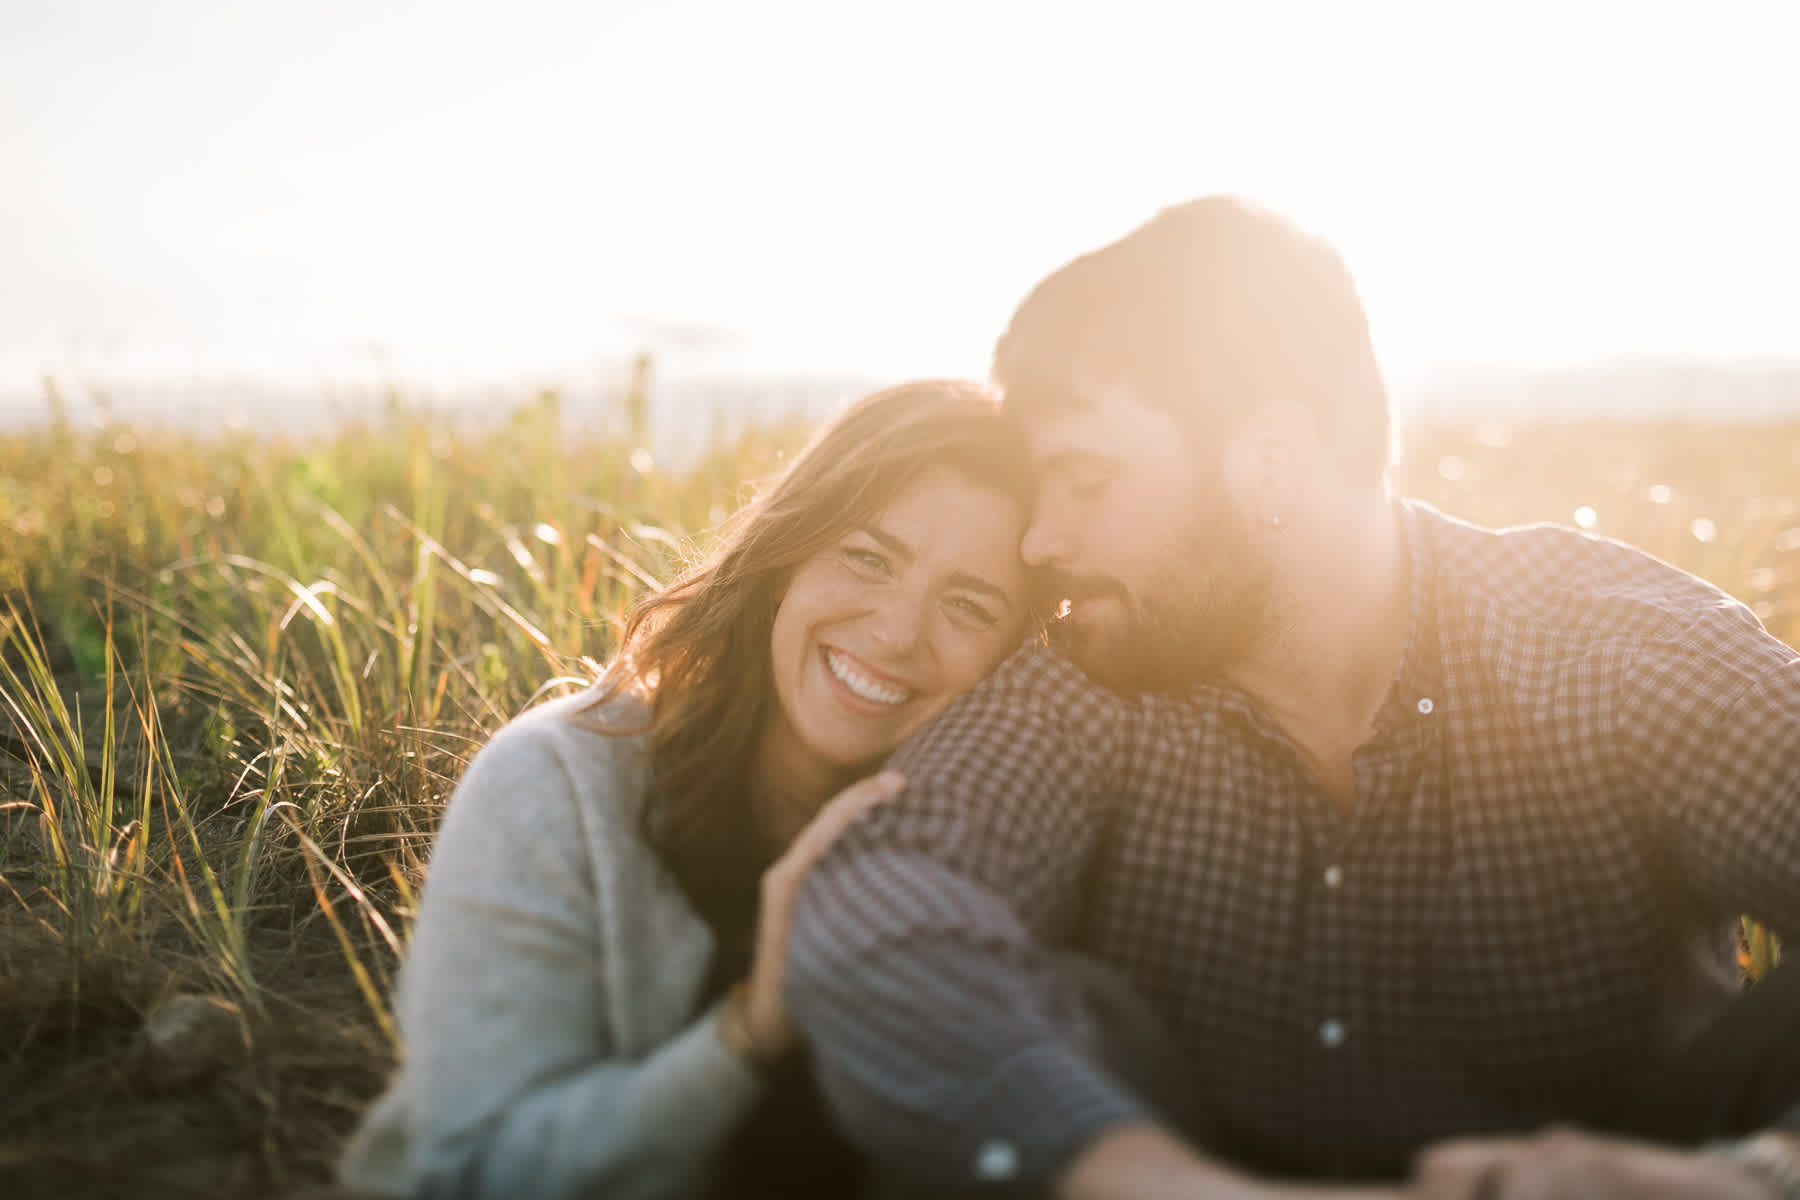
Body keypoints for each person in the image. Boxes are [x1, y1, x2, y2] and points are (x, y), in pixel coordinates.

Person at [785, 198, 1800, 1200]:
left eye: (1085, 479)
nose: (1042, 540)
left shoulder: (1610, 650)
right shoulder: (1092, 669)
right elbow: (890, 891)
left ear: (1268, 458)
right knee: (1010, 1028)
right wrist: (1144, 1179)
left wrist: (1753, 1179)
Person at [336, 379, 1038, 1199]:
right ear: (788, 557)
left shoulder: (999, 841)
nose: (896, 632)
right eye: (868, 558)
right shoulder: (552, 783)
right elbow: (476, 1169)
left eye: (969, 605)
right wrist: (750, 1029)